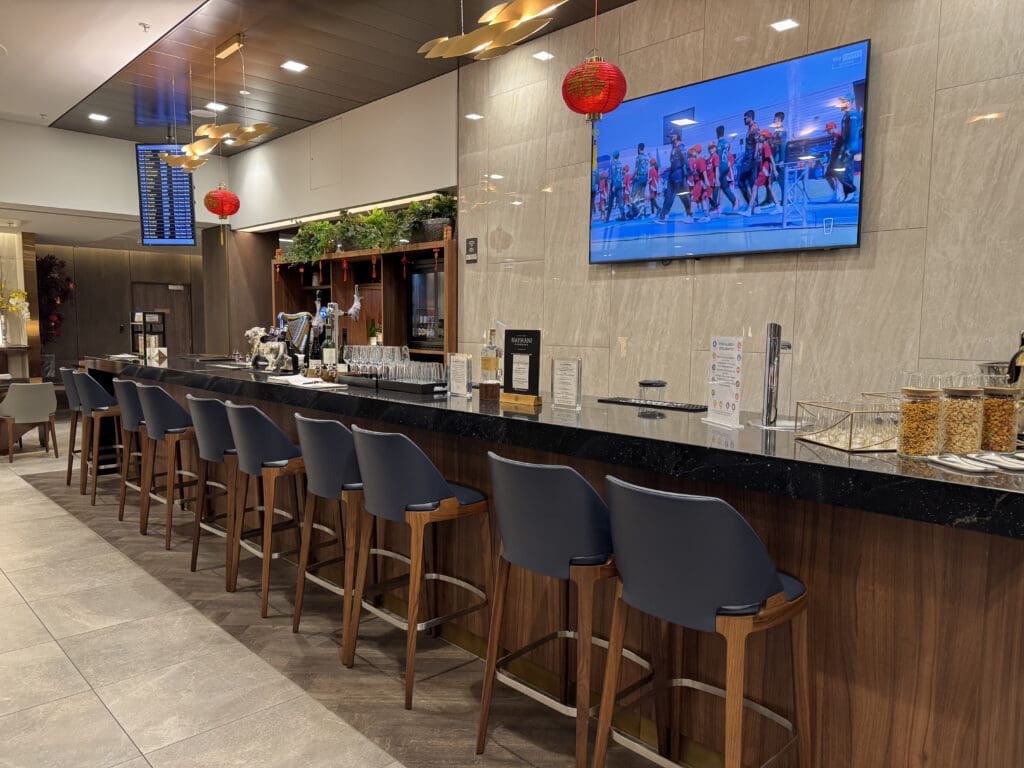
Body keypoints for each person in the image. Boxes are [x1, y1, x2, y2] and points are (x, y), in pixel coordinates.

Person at [658, 130, 692, 222]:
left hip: (679, 176)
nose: (670, 138)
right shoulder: (673, 148)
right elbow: (674, 163)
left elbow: (685, 162)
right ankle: (663, 216)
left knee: (683, 196)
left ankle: (689, 216)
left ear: (676, 136)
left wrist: (689, 173)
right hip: (672, 175)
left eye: (671, 136)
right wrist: (667, 170)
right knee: (668, 196)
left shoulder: (681, 147)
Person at [744, 129, 776, 217]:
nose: (759, 137)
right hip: (765, 170)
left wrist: (774, 169)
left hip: (764, 171)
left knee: (754, 188)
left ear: (764, 137)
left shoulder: (766, 146)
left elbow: (771, 158)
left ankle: (749, 210)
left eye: (761, 135)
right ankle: (778, 206)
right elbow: (757, 157)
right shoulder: (763, 146)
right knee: (769, 187)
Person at [838, 94, 862, 201]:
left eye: (844, 101)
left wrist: (848, 148)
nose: (842, 103)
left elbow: (853, 133)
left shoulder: (853, 115)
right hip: (845, 147)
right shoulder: (846, 115)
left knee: (847, 170)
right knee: (843, 170)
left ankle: (851, 193)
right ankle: (848, 192)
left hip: (850, 147)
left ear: (850, 102)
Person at [824, 120, 855, 201]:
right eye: (827, 130)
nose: (827, 131)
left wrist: (847, 150)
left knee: (841, 177)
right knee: (829, 176)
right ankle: (837, 193)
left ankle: (845, 194)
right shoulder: (834, 137)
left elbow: (848, 142)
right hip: (835, 160)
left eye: (828, 130)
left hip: (841, 159)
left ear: (833, 128)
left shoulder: (840, 134)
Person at [735, 109, 759, 209]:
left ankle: (754, 204)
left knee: (749, 181)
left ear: (750, 117)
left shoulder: (754, 128)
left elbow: (757, 143)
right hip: (748, 159)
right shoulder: (749, 129)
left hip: (751, 160)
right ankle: (752, 203)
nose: (744, 120)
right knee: (747, 181)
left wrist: (754, 158)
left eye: (745, 118)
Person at [714, 125, 737, 212]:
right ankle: (721, 206)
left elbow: (718, 158)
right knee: (723, 188)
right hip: (726, 169)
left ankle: (734, 203)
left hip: (722, 168)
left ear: (717, 134)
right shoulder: (727, 144)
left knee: (723, 187)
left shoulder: (719, 145)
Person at [768, 111, 787, 207]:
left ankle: (784, 201)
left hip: (779, 161)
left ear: (779, 120)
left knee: (781, 181)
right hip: (774, 161)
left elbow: (782, 147)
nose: (773, 121)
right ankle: (771, 201)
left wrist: (782, 160)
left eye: (774, 119)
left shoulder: (782, 132)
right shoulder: (775, 133)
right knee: (770, 181)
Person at [605, 150, 625, 222]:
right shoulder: (620, 163)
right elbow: (620, 175)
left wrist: (614, 185)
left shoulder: (613, 163)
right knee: (620, 201)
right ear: (618, 156)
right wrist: (619, 183)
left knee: (610, 201)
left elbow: (613, 174)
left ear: (613, 156)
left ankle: (607, 218)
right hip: (619, 184)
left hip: (614, 184)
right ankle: (623, 216)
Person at [631, 142, 651, 215]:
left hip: (640, 177)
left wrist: (631, 177)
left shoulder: (638, 157)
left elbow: (636, 169)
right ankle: (643, 212)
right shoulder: (646, 157)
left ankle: (638, 211)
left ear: (639, 148)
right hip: (645, 177)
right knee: (642, 195)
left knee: (633, 196)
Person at [705, 142, 720, 214]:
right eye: (710, 148)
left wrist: (717, 179)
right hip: (709, 180)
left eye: (713, 147)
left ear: (715, 148)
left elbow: (716, 168)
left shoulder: (715, 156)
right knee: (708, 195)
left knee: (711, 196)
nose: (711, 149)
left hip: (713, 180)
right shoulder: (710, 157)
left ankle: (715, 208)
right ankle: (714, 208)